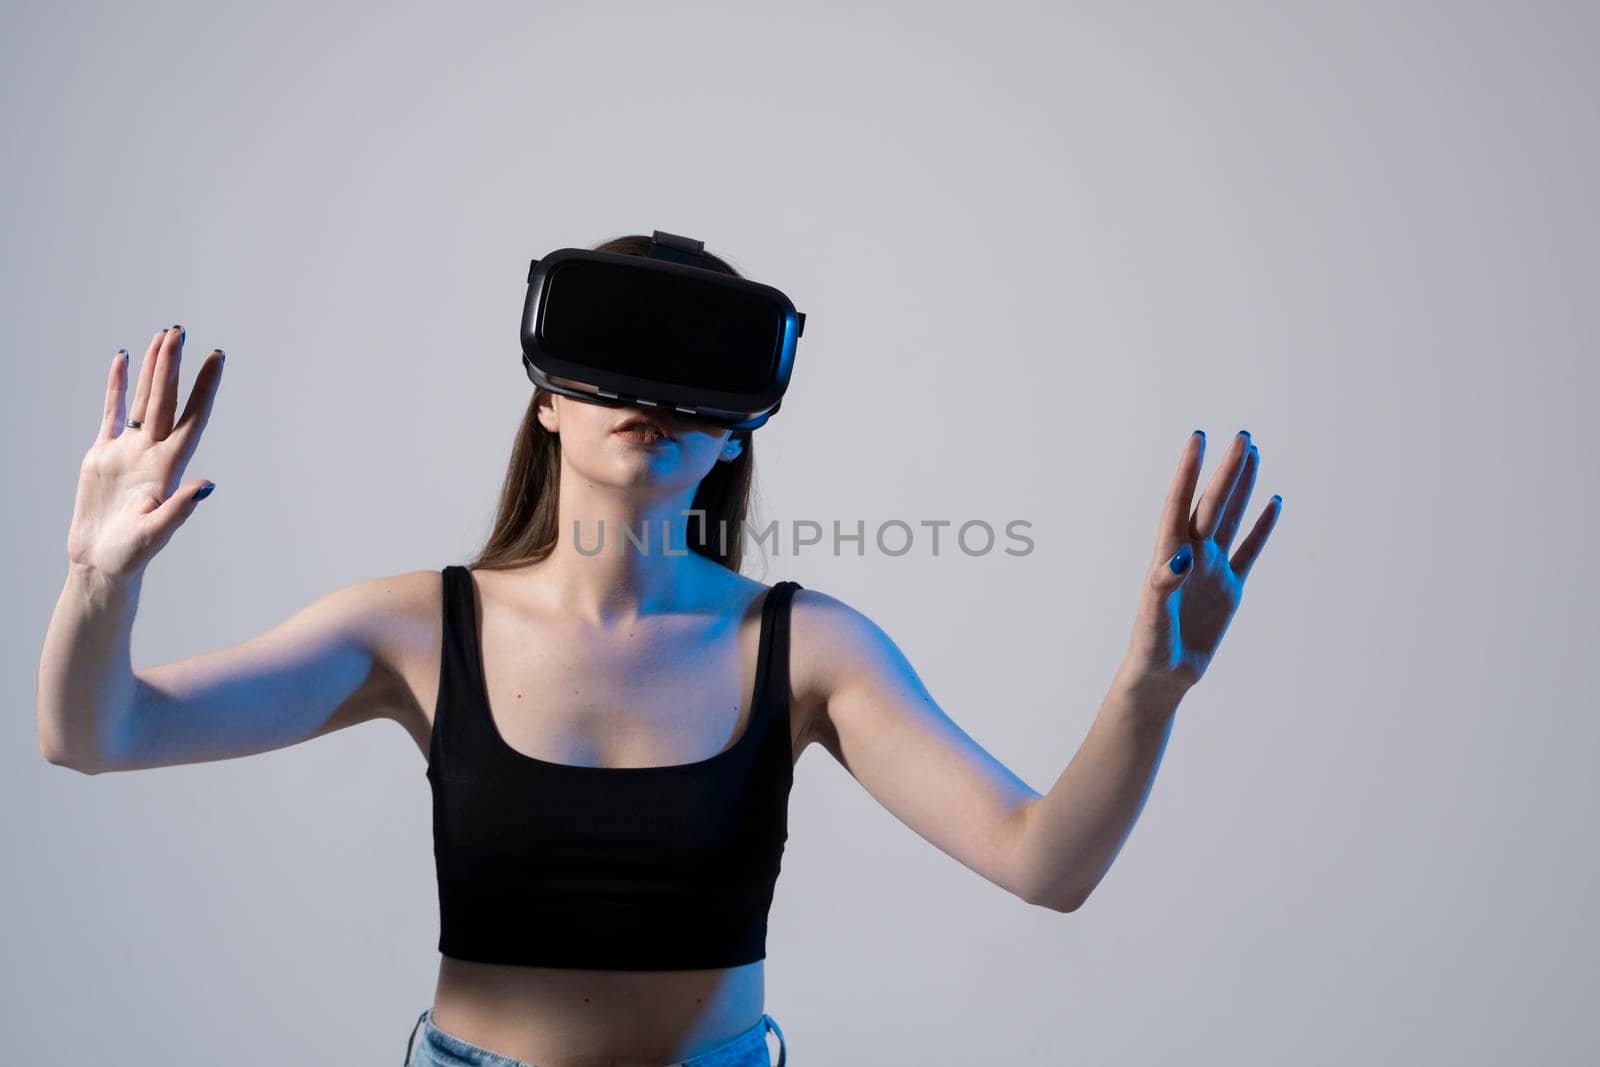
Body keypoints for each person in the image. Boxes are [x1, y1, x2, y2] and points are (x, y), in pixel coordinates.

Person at [36, 235, 1282, 1067]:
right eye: (618, 361)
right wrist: (98, 578)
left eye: (697, 384)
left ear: (737, 431)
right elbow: (97, 734)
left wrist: (1147, 690)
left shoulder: (807, 648)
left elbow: (1042, 861)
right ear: (545, 394)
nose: (657, 401)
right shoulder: (412, 627)